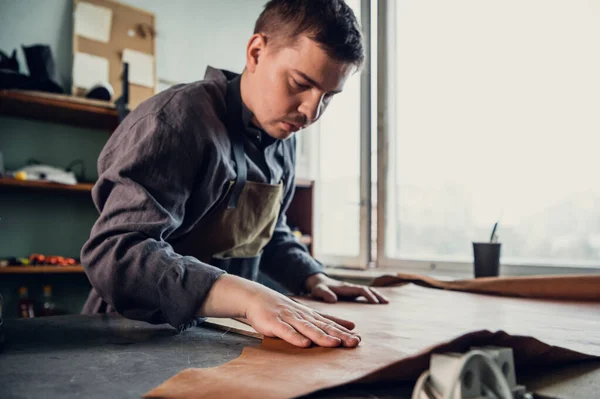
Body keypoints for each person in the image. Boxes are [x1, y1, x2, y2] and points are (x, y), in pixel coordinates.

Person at [81, 0, 388, 349]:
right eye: (300, 83)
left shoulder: (284, 137)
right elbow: (116, 254)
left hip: (218, 340)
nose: (310, 112)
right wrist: (246, 297)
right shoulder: (175, 121)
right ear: (256, 52)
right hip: (132, 337)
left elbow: (266, 232)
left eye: (328, 97)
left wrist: (312, 276)